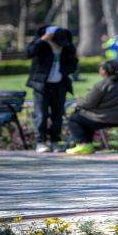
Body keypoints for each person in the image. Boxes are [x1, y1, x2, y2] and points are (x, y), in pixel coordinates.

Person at [26, 25, 78, 153]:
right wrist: (42, 39)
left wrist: (63, 72)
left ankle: (55, 141)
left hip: (60, 85)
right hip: (41, 85)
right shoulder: (42, 43)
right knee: (41, 115)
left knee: (57, 115)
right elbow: (28, 53)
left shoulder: (65, 45)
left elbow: (73, 63)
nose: (60, 45)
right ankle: (40, 142)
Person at [66, 60, 118, 155]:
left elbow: (88, 104)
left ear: (103, 71)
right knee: (85, 118)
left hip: (106, 118)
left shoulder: (102, 84)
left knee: (75, 118)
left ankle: (84, 144)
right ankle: (87, 146)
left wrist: (77, 102)